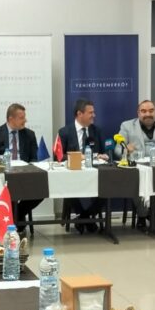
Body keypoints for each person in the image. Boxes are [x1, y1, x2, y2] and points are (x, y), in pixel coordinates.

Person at [116, 100, 155, 228]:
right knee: (135, 184)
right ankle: (142, 215)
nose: (147, 114)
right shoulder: (127, 126)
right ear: (138, 113)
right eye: (143, 111)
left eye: (151, 111)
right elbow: (117, 149)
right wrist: (125, 149)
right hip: (138, 169)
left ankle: (154, 214)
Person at [0, 103, 42, 233]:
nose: (25, 120)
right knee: (5, 192)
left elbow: (34, 159)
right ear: (11, 119)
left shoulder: (29, 134)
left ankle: (17, 216)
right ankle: (14, 220)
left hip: (25, 175)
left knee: (41, 189)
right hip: (4, 176)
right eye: (21, 118)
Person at [58, 99, 106, 232]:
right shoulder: (64, 132)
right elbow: (59, 157)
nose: (94, 115)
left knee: (107, 189)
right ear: (80, 114)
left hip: (95, 175)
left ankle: (83, 217)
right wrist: (80, 157)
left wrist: (104, 156)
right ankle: (87, 219)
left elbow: (104, 153)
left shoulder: (97, 131)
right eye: (90, 112)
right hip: (72, 176)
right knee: (67, 188)